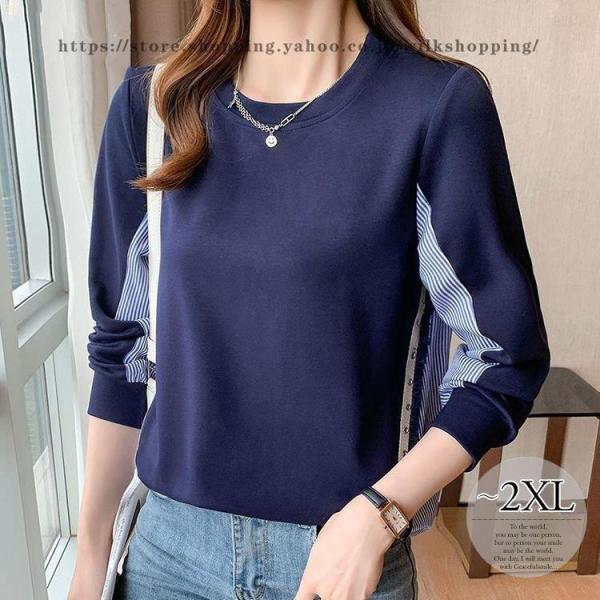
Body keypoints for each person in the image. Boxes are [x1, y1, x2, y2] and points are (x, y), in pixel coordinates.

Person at [69, 1, 550, 598]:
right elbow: (121, 351)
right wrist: (90, 560)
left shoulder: (436, 106)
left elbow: (505, 356)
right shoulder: (151, 108)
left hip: (339, 560)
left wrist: (380, 515)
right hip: (167, 557)